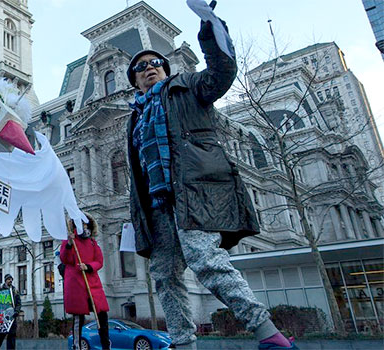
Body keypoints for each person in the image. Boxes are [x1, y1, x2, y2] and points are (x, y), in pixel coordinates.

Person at [125, 18, 297, 350]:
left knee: (205, 259)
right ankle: (182, 343)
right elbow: (137, 173)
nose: (150, 68)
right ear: (134, 80)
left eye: (156, 63)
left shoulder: (187, 88)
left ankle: (268, 334)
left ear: (166, 68)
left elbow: (222, 73)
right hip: (156, 205)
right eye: (141, 66)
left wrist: (209, 29)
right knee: (164, 277)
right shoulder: (134, 118)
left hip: (195, 191)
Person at [61, 215, 110, 350]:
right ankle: (77, 346)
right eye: (80, 223)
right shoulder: (69, 241)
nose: (83, 226)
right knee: (78, 318)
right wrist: (70, 245)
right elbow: (65, 259)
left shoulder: (93, 243)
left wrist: (88, 266)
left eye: (85, 223)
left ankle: (106, 345)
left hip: (92, 284)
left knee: (102, 316)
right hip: (76, 284)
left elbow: (99, 261)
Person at [0, 274, 21, 350]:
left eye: (11, 279)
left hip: (12, 318)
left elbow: (18, 303)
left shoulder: (15, 290)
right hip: (3, 318)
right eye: (9, 279)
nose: (10, 281)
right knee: (0, 337)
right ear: (5, 280)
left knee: (11, 337)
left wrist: (16, 311)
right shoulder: (0, 290)